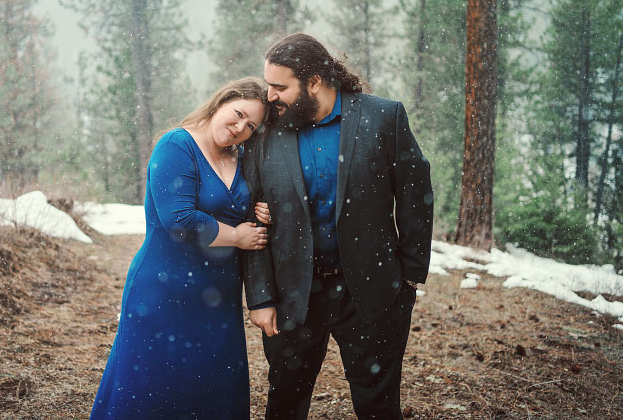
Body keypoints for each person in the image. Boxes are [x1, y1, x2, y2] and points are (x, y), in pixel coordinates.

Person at [242, 34, 434, 420]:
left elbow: (416, 193)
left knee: (378, 406)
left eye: (280, 86)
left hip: (371, 291)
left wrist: (409, 277)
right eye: (268, 85)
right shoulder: (266, 132)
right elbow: (250, 215)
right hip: (291, 296)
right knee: (284, 405)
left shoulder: (384, 117)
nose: (270, 96)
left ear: (314, 82)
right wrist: (261, 297)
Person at [90, 77, 271, 420]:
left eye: (251, 126)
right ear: (221, 101)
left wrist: (265, 210)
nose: (239, 128)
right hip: (164, 291)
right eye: (237, 114)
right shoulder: (177, 145)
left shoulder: (241, 156)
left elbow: (247, 204)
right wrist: (237, 237)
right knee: (153, 390)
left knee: (213, 390)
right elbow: (180, 220)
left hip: (218, 296)